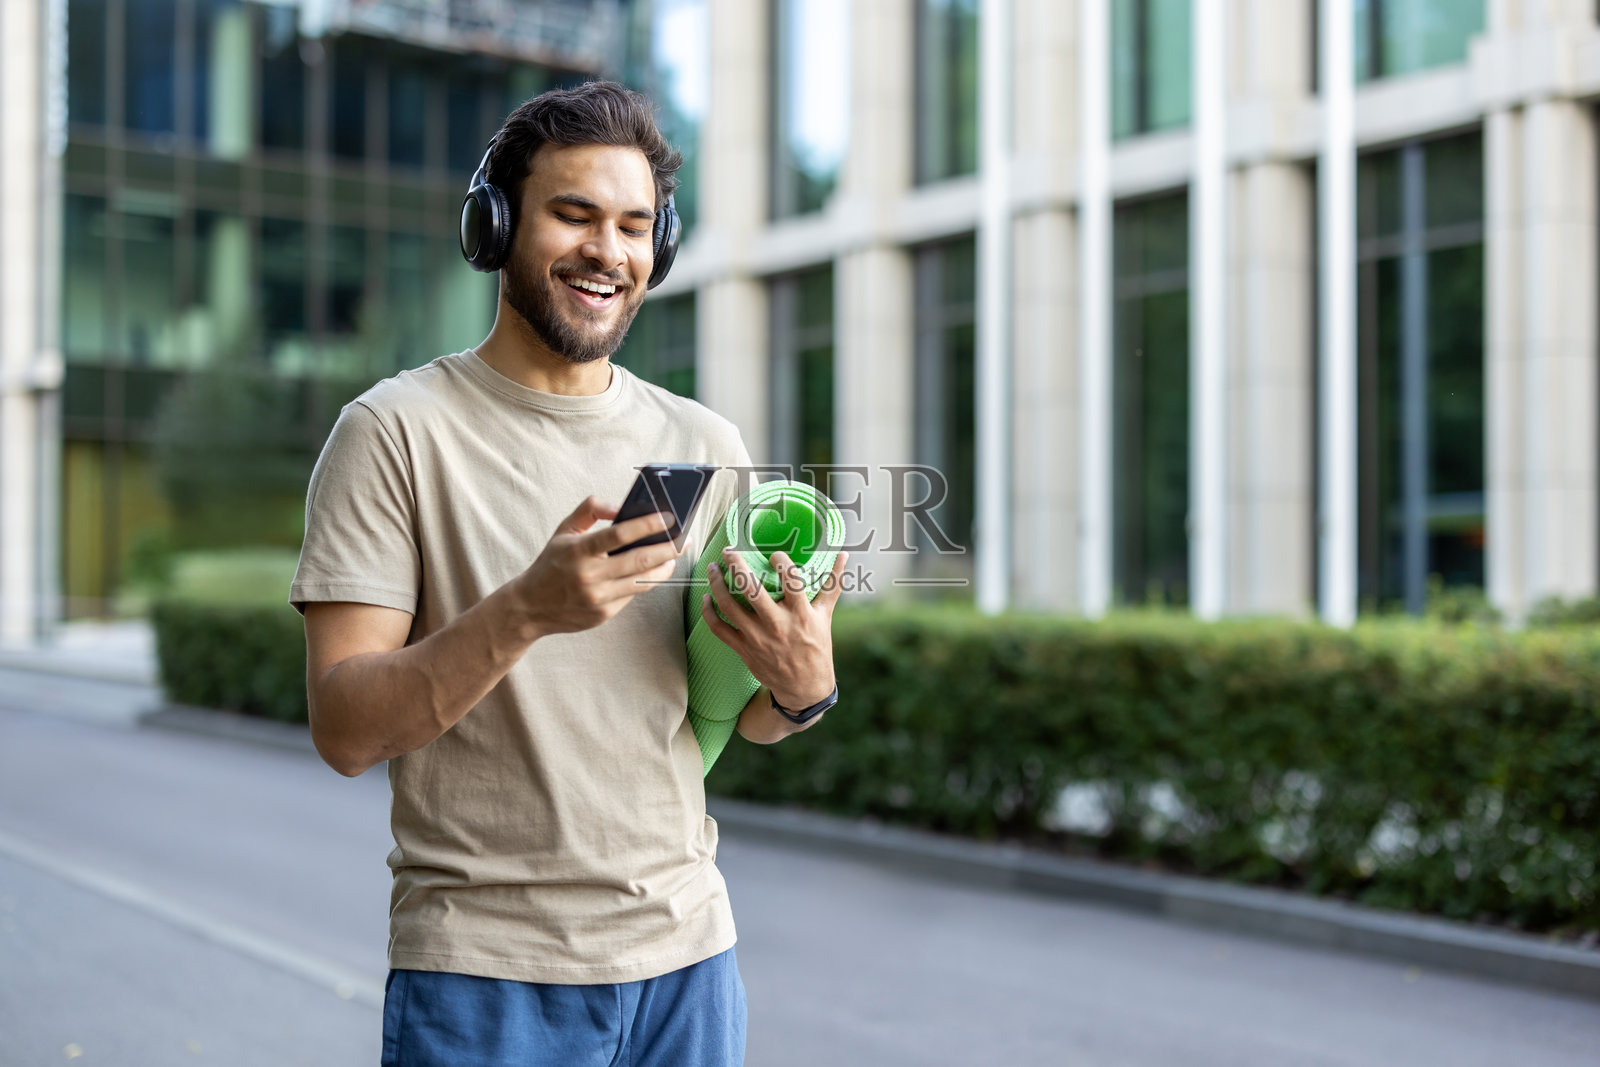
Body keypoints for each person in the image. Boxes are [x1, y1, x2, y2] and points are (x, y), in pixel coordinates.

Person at [291, 81, 847, 1066]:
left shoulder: (701, 441)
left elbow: (734, 708)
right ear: (495, 225)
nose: (608, 251)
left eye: (635, 226)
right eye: (574, 215)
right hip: (484, 977)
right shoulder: (394, 434)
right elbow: (344, 727)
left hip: (688, 964)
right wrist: (526, 610)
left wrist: (803, 686)